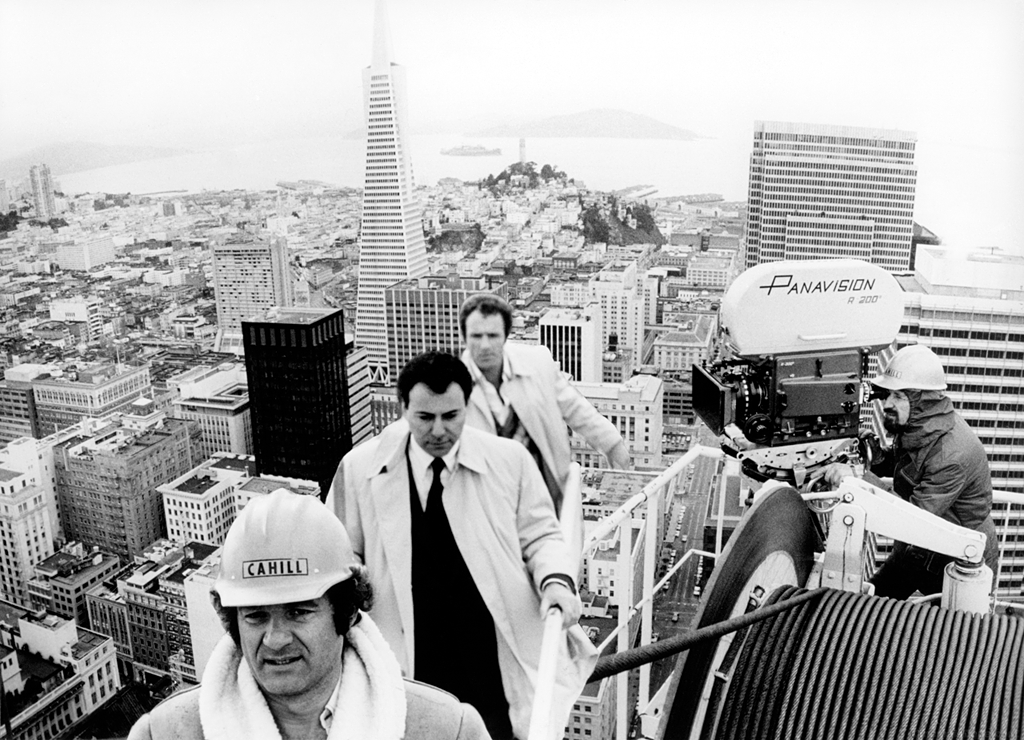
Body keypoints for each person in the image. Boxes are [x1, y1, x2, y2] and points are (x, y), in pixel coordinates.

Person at [326, 351, 597, 740]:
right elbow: (338, 552)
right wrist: (354, 584)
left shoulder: (510, 460)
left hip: (486, 648)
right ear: (402, 408)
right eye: (424, 417)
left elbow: (541, 535)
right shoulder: (359, 468)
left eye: (451, 416)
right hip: (407, 649)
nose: (438, 430)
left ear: (467, 406)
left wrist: (555, 581)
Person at [128, 489, 490, 740]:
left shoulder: (445, 729)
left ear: (346, 612)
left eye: (299, 612)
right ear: (232, 623)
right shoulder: (164, 733)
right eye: (255, 616)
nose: (275, 638)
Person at [821, 344, 998, 599]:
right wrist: (876, 456)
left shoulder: (952, 455)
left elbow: (915, 518)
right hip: (917, 550)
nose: (887, 404)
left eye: (899, 396)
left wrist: (858, 479)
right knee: (869, 607)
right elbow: (907, 465)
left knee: (952, 635)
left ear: (923, 401)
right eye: (888, 394)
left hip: (957, 562)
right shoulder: (921, 426)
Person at [458, 293, 630, 516]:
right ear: (463, 336)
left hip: (544, 488)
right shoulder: (451, 383)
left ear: (506, 335)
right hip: (490, 503)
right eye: (476, 336)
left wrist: (612, 443)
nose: (484, 345)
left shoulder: (537, 363)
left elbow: (574, 407)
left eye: (492, 335)